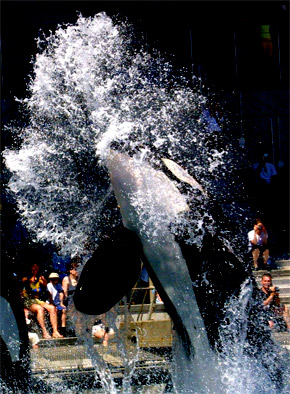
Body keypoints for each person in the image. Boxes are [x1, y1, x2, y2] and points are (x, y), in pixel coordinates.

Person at [22, 263, 63, 339]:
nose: (33, 272)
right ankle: (44, 332)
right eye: (32, 270)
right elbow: (26, 284)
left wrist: (44, 283)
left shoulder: (40, 278)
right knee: (40, 309)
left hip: (37, 300)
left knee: (52, 308)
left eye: (35, 270)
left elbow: (46, 290)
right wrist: (30, 281)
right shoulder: (25, 278)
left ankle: (55, 331)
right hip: (28, 300)